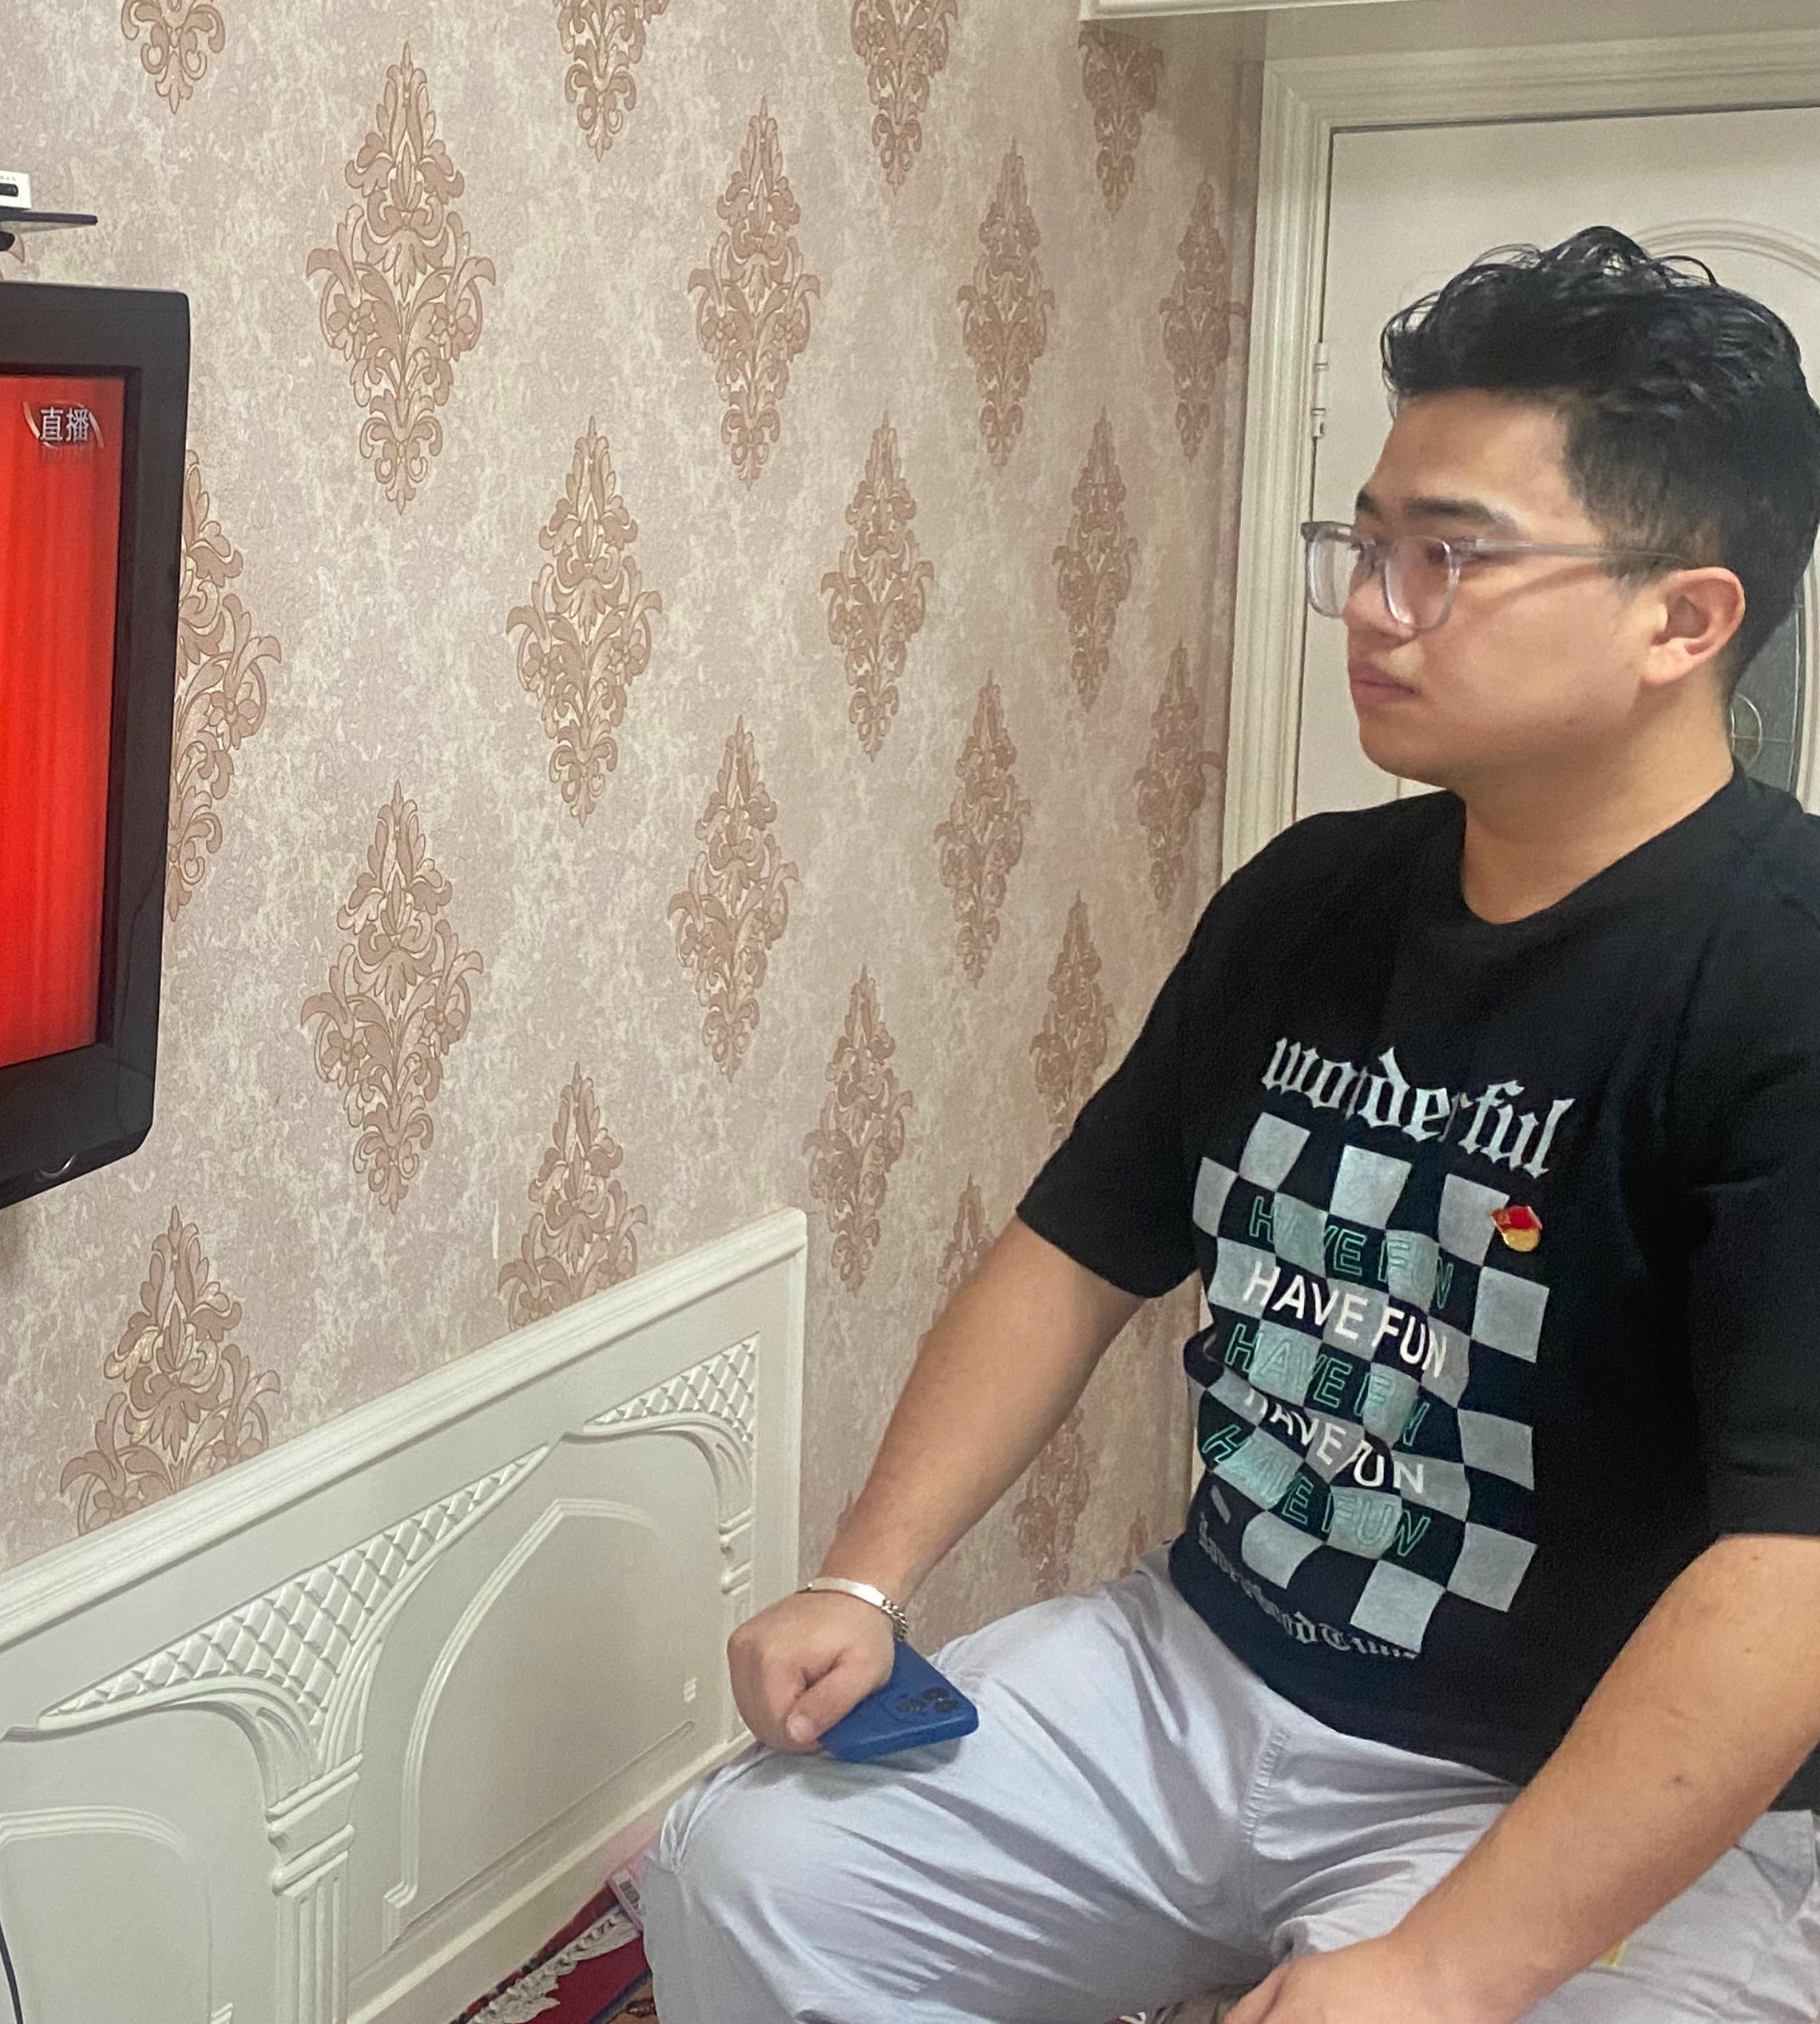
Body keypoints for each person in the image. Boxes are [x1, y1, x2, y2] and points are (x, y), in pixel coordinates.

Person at [640, 230, 1820, 2022]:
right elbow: (1075, 1248)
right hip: (1202, 1665)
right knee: (742, 1870)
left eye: (1452, 557)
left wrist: (1437, 1969)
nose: (1374, 606)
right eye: (1367, 542)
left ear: (1685, 618)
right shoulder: (1309, 893)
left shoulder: (1780, 980)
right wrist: (863, 1578)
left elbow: (1793, 1564)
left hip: (1566, 1775)